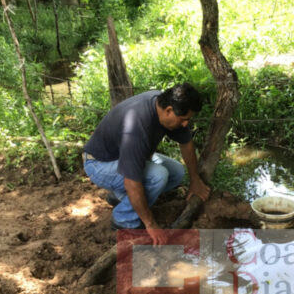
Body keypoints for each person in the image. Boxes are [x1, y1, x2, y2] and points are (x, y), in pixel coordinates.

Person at [83, 83, 210, 244]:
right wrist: (151, 225)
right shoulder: (137, 126)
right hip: (99, 164)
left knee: (177, 172)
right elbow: (131, 181)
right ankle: (123, 219)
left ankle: (120, 197)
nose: (186, 124)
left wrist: (195, 180)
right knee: (158, 176)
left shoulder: (164, 105)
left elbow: (186, 143)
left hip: (124, 157)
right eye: (184, 120)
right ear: (169, 110)